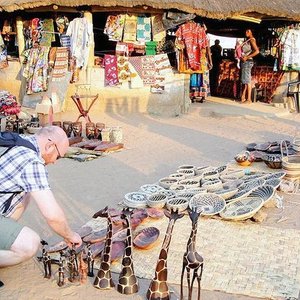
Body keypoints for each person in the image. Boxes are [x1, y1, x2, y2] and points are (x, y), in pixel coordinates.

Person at [0, 126, 82, 287]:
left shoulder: (21, 141)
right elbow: (52, 215)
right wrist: (70, 235)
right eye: (58, 156)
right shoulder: (31, 161)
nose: (54, 161)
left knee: (26, 194)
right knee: (29, 244)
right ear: (50, 145)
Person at [240, 29, 259, 103]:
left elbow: (257, 51)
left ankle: (249, 99)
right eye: (246, 31)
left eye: (247, 32)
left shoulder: (251, 40)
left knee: (247, 81)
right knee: (245, 80)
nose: (246, 33)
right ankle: (243, 97)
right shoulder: (248, 40)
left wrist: (247, 57)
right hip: (246, 62)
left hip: (248, 61)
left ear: (250, 32)